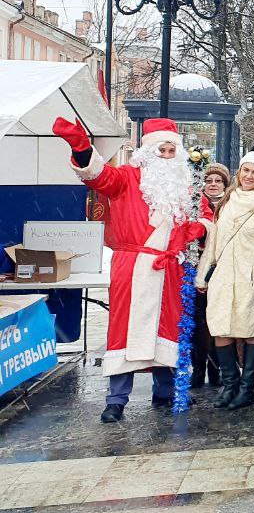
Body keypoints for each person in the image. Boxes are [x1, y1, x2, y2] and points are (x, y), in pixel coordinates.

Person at [54, 116, 213, 422]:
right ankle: (116, 400)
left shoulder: (188, 185)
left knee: (170, 328)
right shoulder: (126, 177)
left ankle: (165, 391)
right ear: (147, 151)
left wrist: (200, 228)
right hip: (133, 266)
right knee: (125, 331)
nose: (166, 156)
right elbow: (98, 176)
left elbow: (206, 215)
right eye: (161, 150)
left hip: (172, 268)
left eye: (171, 151)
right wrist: (81, 147)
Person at [198, 150, 254, 410]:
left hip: (253, 278)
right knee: (221, 329)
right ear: (239, 171)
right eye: (246, 170)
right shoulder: (226, 200)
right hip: (224, 276)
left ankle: (247, 390)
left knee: (252, 333)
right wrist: (204, 277)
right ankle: (230, 386)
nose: (249, 176)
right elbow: (214, 242)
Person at [193, 162, 233, 389]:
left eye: (218, 181)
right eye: (209, 181)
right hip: (196, 269)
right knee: (198, 324)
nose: (213, 185)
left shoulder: (231, 207)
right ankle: (198, 368)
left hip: (222, 271)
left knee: (218, 322)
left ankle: (217, 369)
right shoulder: (194, 206)